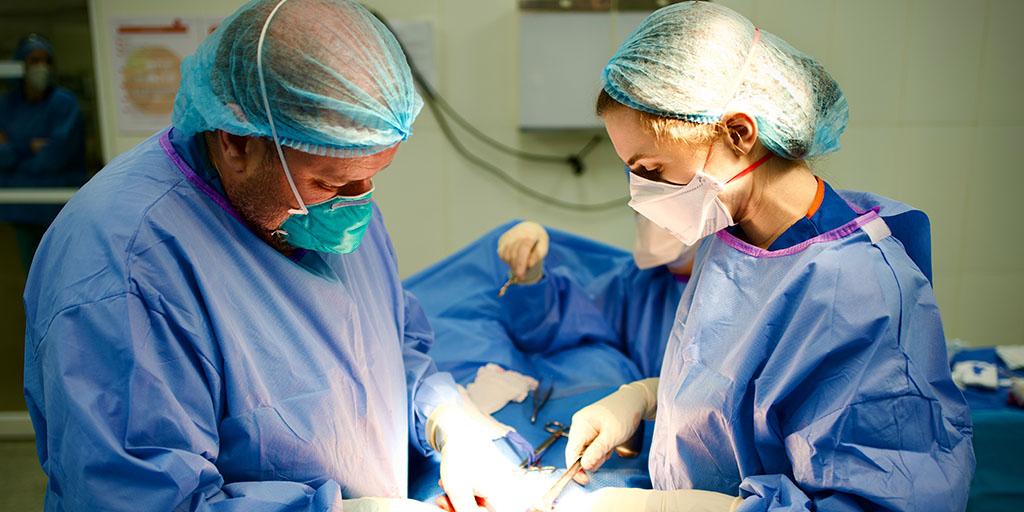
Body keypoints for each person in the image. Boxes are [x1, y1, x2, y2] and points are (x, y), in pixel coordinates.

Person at [23, 1, 515, 511]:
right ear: (237, 142)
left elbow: (390, 347)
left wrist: (444, 419)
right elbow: (139, 498)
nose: (359, 200)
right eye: (331, 183)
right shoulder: (123, 268)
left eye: (372, 176)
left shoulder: (333, 203)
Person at [562, 2, 975, 511]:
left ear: (739, 133)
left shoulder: (858, 291)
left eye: (652, 169)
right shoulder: (732, 237)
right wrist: (644, 398)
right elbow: (748, 396)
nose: (641, 192)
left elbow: (874, 499)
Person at [495, 215, 693, 378]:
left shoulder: (712, 296)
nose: (652, 213)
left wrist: (651, 396)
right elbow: (569, 320)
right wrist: (532, 280)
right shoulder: (639, 282)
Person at [0, 34, 86, 270]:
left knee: (63, 270)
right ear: (21, 65)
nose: (41, 67)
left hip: (58, 206)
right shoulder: (6, 105)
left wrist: (15, 153)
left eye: (46, 60)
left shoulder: (64, 104)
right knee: (30, 273)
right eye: (34, 60)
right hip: (19, 208)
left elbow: (56, 156)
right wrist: (29, 146)